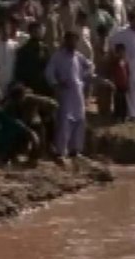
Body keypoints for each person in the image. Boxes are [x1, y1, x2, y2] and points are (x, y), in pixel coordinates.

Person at [44, 29, 95, 159]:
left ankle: (76, 150)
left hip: (78, 93)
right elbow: (49, 72)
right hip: (65, 93)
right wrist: (57, 83)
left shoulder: (78, 56)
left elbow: (90, 66)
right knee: (65, 121)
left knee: (80, 119)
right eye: (70, 40)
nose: (73, 43)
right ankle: (61, 150)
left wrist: (83, 77)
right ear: (65, 41)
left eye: (75, 40)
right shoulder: (58, 56)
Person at [13, 20, 51, 98]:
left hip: (43, 86)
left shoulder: (44, 48)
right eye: (39, 29)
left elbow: (48, 66)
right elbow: (19, 71)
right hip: (29, 85)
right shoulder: (24, 50)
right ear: (32, 32)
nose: (41, 31)